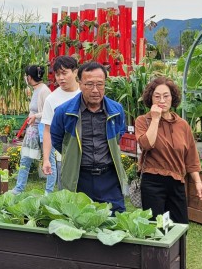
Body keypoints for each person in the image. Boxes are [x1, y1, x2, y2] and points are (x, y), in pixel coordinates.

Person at [46, 61, 129, 212]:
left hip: (108, 178)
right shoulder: (64, 112)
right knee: (77, 223)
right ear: (80, 83)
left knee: (115, 222)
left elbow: (119, 134)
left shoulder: (116, 110)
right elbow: (59, 141)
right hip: (78, 177)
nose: (95, 90)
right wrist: (73, 153)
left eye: (100, 84)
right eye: (89, 84)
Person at [134, 76, 202, 223]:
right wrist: (155, 119)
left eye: (166, 96)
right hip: (152, 182)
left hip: (177, 182)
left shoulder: (182, 125)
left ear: (173, 98)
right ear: (150, 98)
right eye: (157, 96)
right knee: (156, 229)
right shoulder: (143, 121)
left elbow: (191, 156)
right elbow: (146, 144)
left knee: (180, 227)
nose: (162, 100)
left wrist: (198, 182)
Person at [39, 55, 80, 193]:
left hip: (90, 155)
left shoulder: (86, 94)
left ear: (75, 72)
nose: (60, 78)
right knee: (67, 196)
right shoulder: (52, 99)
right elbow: (47, 131)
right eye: (57, 74)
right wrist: (46, 159)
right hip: (64, 157)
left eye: (64, 73)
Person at [12, 64, 54, 194]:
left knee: (49, 159)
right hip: (33, 130)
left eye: (26, 76)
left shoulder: (44, 91)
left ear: (29, 77)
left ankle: (49, 192)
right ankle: (19, 188)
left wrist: (35, 115)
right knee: (25, 158)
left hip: (43, 130)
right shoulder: (36, 89)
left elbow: (50, 112)